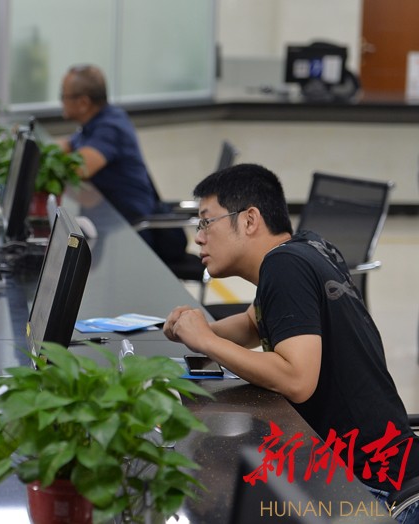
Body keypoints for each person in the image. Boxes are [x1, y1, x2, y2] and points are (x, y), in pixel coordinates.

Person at [163, 163, 418, 522]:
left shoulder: (283, 267)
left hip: (370, 487)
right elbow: (254, 322)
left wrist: (205, 340)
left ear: (249, 220)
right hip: (381, 467)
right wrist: (197, 330)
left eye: (206, 222)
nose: (199, 238)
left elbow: (297, 379)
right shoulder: (308, 247)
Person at [57, 64, 186, 263]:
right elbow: (66, 145)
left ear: (83, 103)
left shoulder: (110, 126)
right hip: (111, 221)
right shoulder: (94, 123)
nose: (61, 101)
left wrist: (46, 161)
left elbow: (80, 168)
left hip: (132, 230)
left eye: (64, 96)